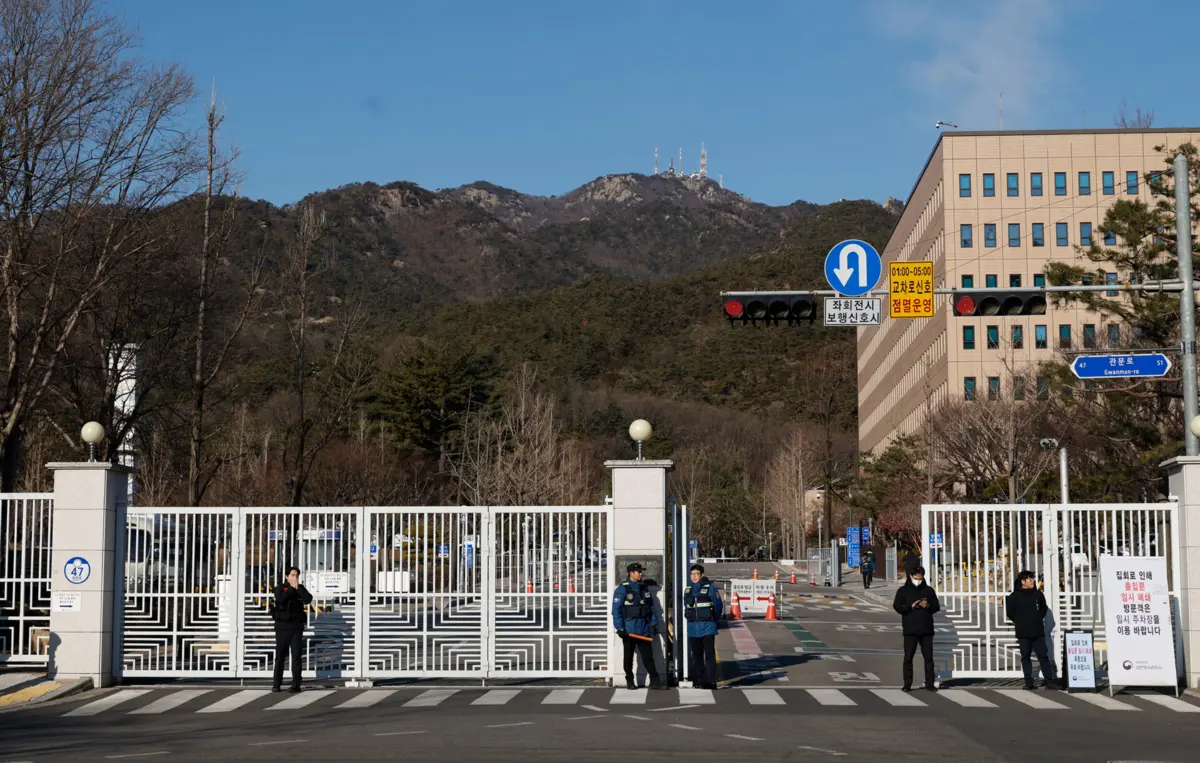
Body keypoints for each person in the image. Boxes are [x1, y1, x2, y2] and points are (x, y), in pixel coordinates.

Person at [612, 562, 664, 689]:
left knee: (648, 657)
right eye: (638, 572)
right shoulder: (622, 589)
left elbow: (651, 608)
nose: (641, 574)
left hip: (643, 629)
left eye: (641, 571)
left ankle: (655, 681)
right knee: (628, 657)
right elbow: (616, 610)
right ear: (631, 573)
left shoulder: (643, 588)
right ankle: (629, 681)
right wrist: (620, 628)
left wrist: (654, 624)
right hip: (629, 630)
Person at [1006, 570, 1057, 690]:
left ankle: (1049, 680)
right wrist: (1020, 622)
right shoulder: (1014, 596)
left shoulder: (1038, 594)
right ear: (1023, 581)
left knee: (1043, 656)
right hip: (1023, 632)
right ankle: (1028, 682)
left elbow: (1043, 609)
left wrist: (1036, 619)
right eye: (1030, 579)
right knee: (1025, 656)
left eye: (1032, 578)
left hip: (1037, 631)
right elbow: (1010, 613)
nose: (1032, 581)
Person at [893, 565, 939, 692]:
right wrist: (910, 606)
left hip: (926, 629)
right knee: (908, 657)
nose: (918, 578)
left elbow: (936, 606)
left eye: (920, 576)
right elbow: (897, 606)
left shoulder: (929, 591)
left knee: (928, 657)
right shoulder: (903, 591)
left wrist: (928, 605)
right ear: (910, 576)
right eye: (916, 576)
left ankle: (930, 684)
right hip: (910, 629)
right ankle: (907, 684)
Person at [271, 566, 314, 693]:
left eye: (297, 575)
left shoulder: (300, 589)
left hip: (296, 627)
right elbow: (280, 599)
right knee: (280, 656)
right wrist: (291, 589)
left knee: (296, 656)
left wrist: (298, 589)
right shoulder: (281, 588)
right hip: (282, 627)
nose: (295, 578)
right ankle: (276, 684)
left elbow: (308, 599)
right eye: (293, 575)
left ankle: (296, 684)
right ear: (287, 577)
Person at [684, 563, 723, 690]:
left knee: (709, 655)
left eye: (696, 574)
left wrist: (713, 620)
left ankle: (711, 681)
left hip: (707, 627)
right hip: (693, 628)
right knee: (696, 655)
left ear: (702, 575)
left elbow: (718, 606)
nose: (694, 576)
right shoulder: (688, 590)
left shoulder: (710, 588)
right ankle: (699, 680)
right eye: (692, 574)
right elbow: (687, 608)